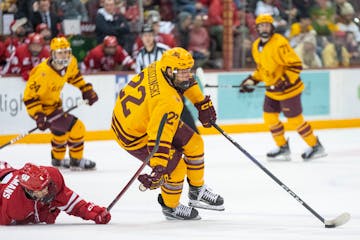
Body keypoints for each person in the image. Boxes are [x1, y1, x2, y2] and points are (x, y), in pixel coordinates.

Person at [111, 47, 224, 220]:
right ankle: (170, 207)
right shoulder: (168, 101)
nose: (187, 74)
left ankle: (196, 191)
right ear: (170, 71)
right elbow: (158, 137)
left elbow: (185, 81)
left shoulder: (160, 66)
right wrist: (159, 168)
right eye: (183, 71)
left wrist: (200, 103)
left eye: (188, 70)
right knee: (176, 168)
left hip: (146, 115)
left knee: (195, 143)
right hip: (133, 134)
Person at [239, 14, 327, 161]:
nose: (264, 28)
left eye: (267, 25)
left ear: (272, 27)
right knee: (269, 118)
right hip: (272, 90)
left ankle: (316, 145)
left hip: (289, 90)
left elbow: (295, 65)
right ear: (257, 28)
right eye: (261, 26)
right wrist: (251, 81)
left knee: (295, 120)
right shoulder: (256, 46)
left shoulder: (280, 43)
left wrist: (284, 81)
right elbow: (262, 69)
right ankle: (282, 147)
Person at [23, 37, 98, 170]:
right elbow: (30, 98)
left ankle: (57, 160)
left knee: (60, 132)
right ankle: (76, 160)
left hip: (55, 106)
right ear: (52, 54)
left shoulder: (71, 62)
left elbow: (74, 77)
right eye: (60, 52)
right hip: (42, 111)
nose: (64, 55)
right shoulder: (42, 72)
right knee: (77, 127)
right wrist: (39, 116)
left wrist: (86, 90)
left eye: (66, 52)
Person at [0, 161, 111, 225]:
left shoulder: (52, 175)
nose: (47, 191)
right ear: (29, 191)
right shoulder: (13, 208)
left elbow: (69, 201)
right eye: (41, 190)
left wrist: (94, 212)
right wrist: (46, 215)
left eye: (46, 185)